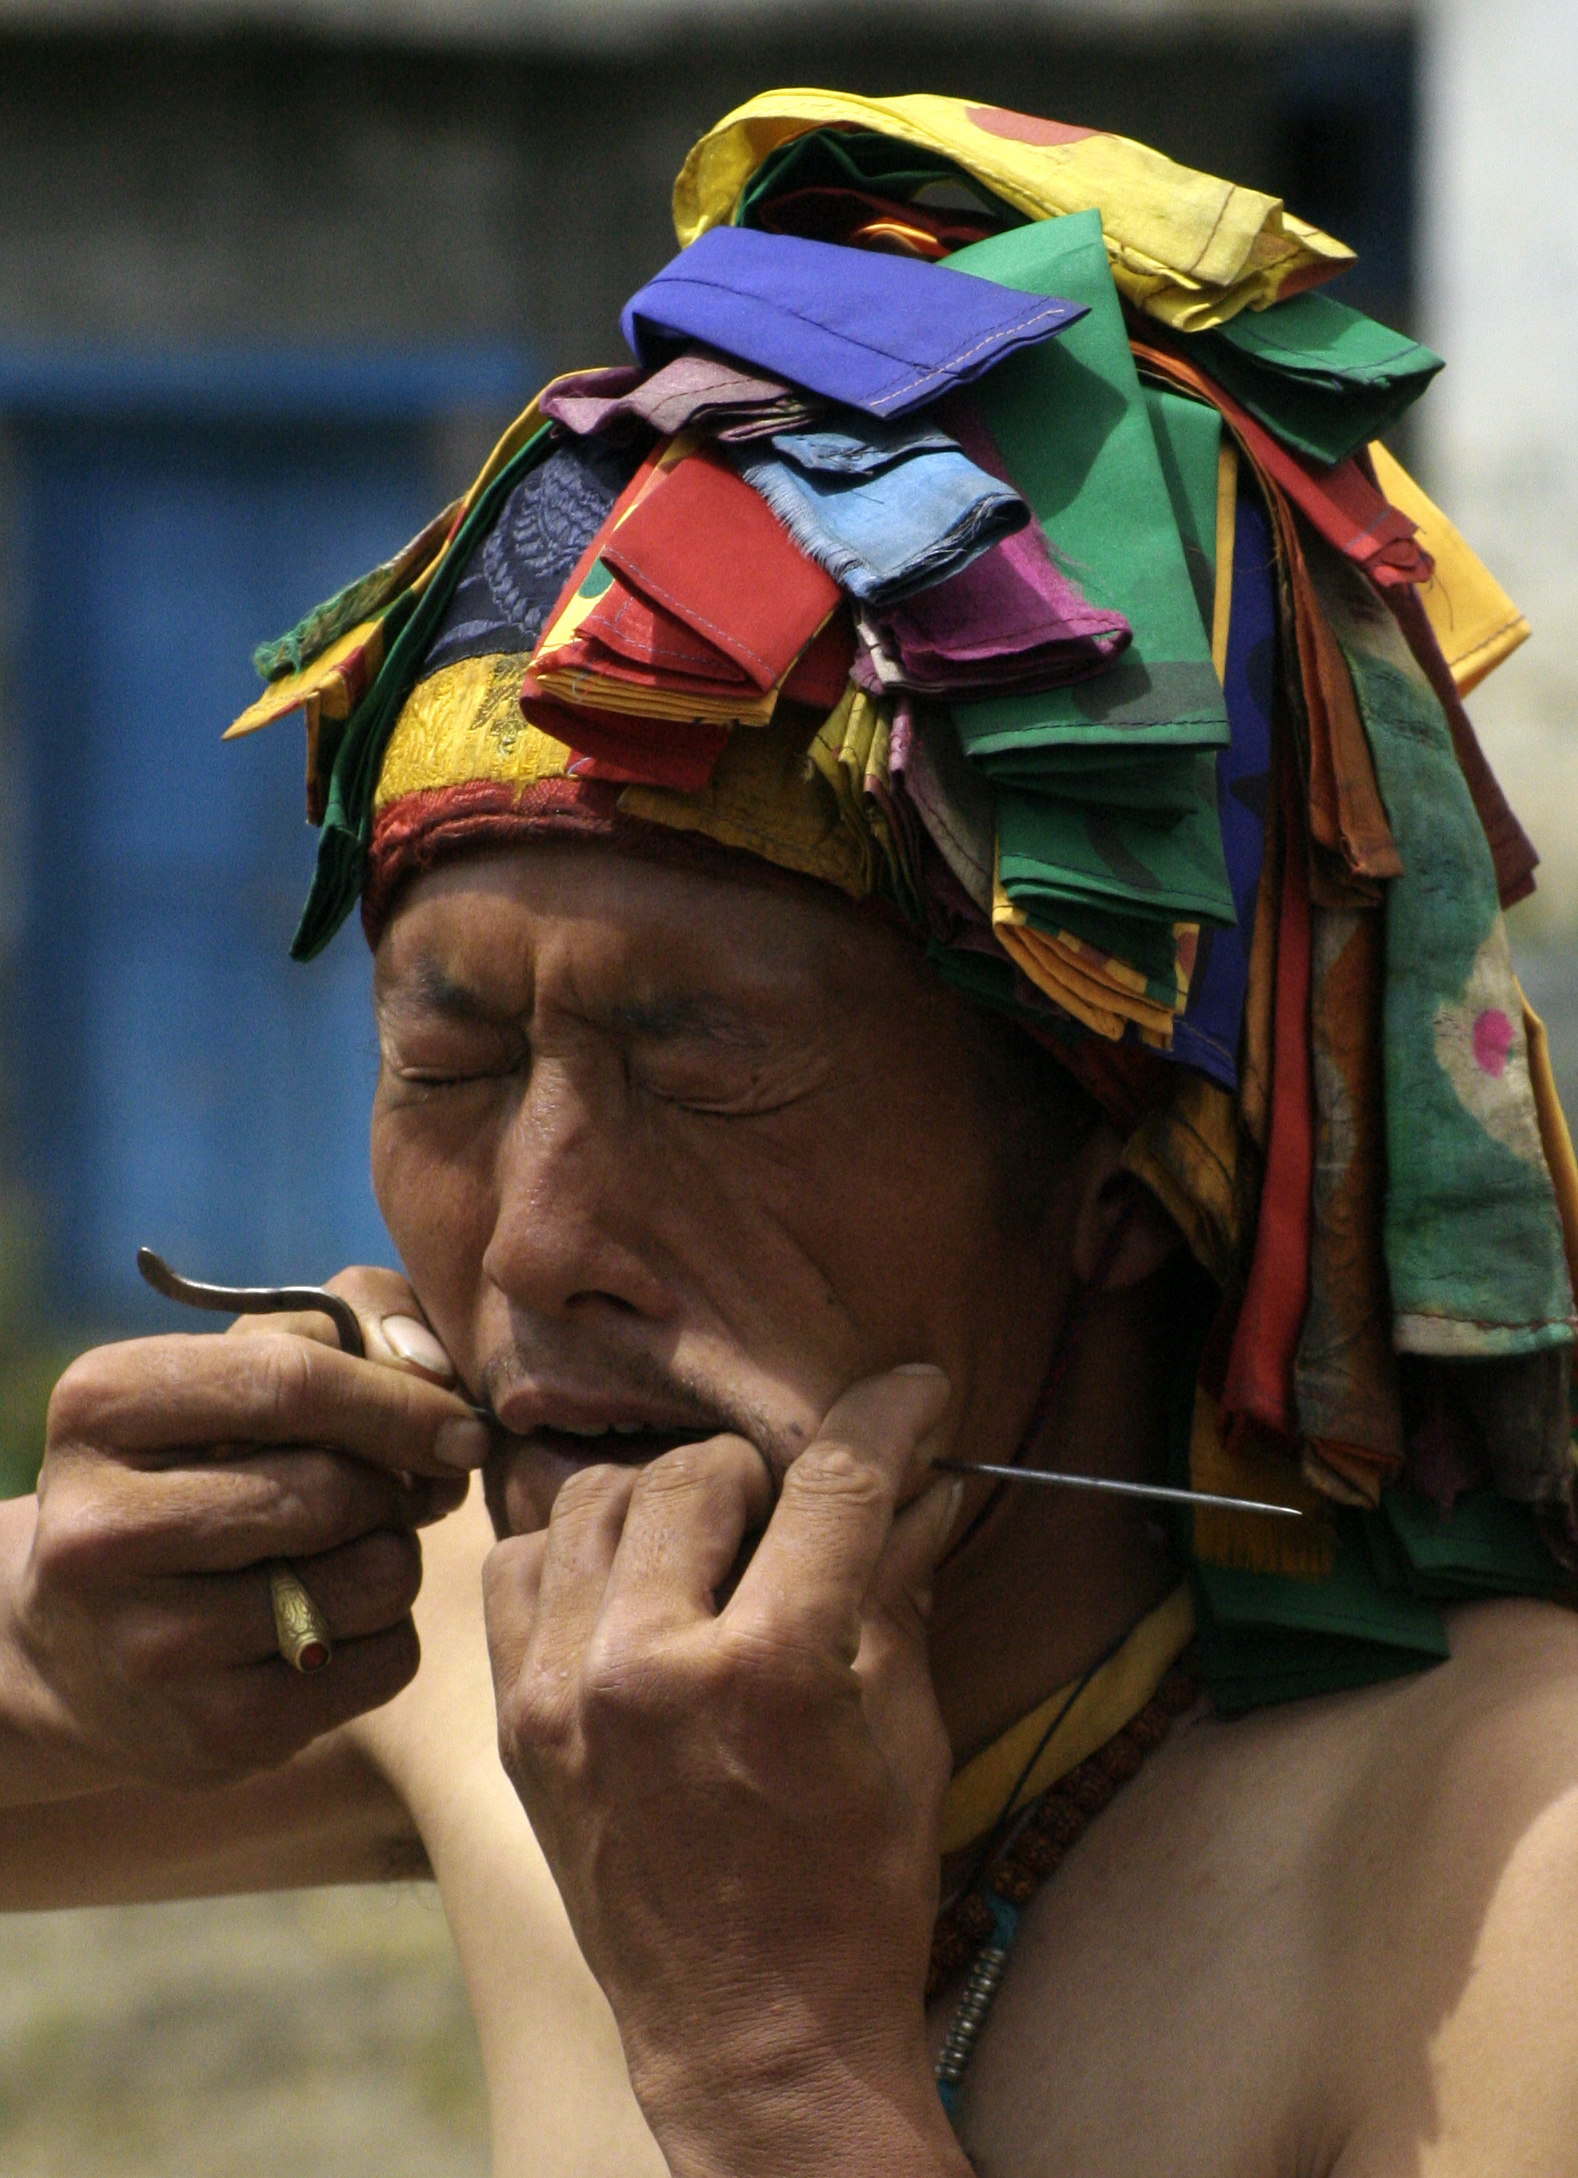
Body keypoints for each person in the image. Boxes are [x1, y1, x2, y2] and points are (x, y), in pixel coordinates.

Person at [6, 88, 1578, 2177]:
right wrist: (70, 1647)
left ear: (1124, 1176)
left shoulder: (1498, 1861)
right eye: (450, 1063)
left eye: (708, 1066)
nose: (543, 1240)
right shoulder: (477, 1645)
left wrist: (772, 2068)